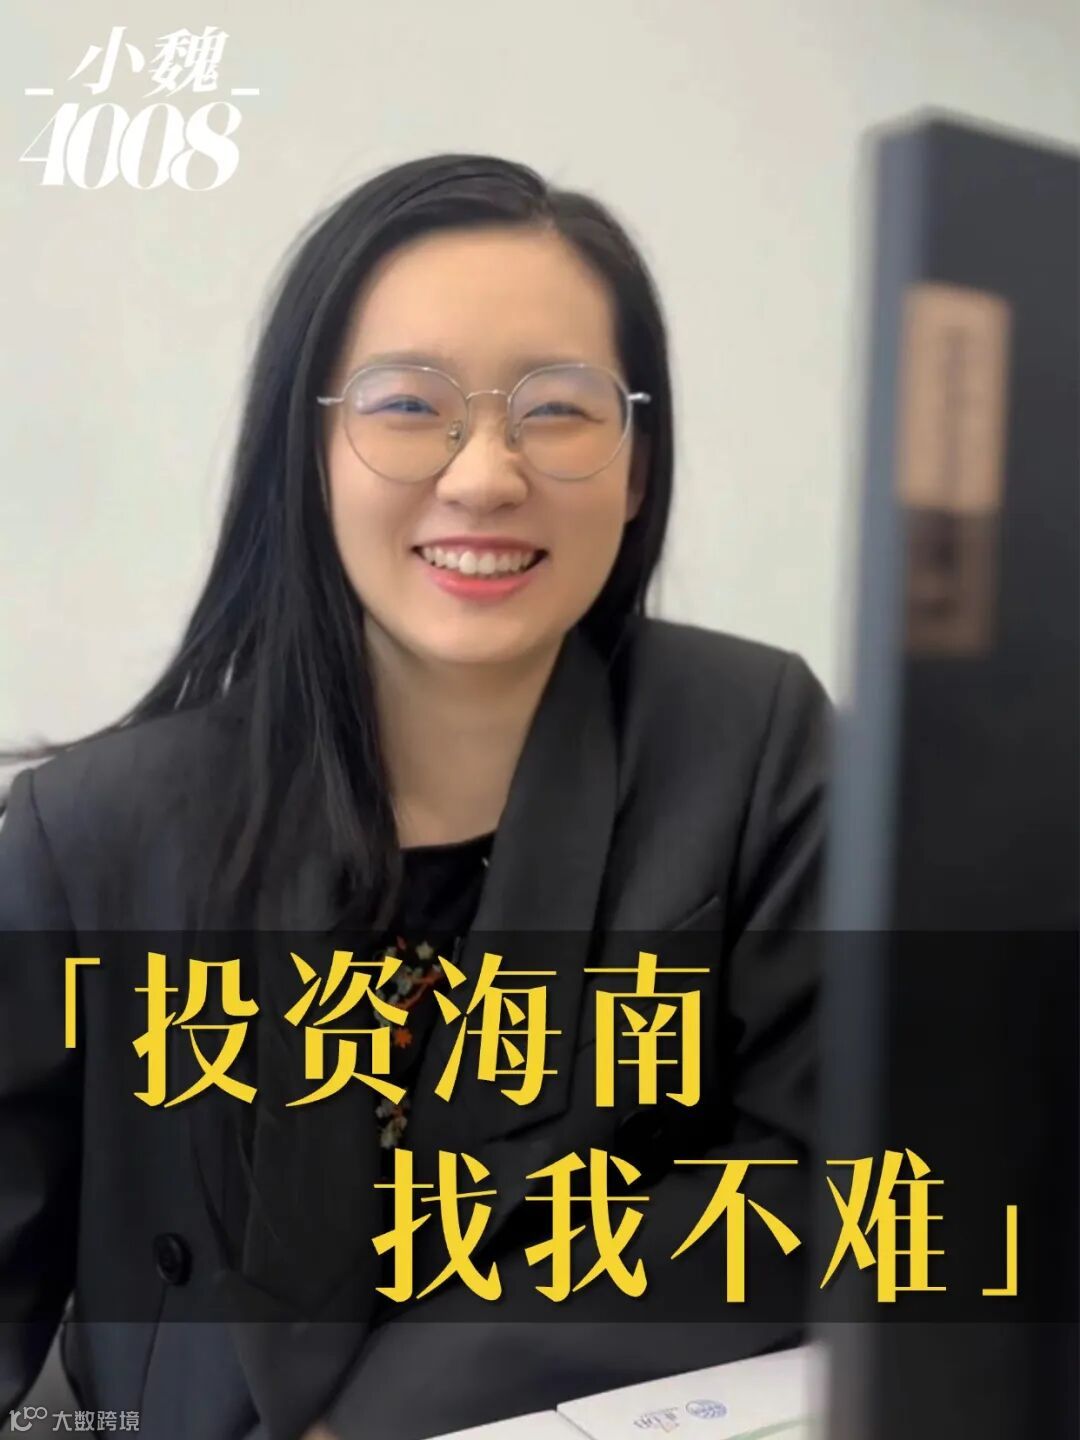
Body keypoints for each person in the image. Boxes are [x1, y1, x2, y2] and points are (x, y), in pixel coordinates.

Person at [0, 154, 830, 1440]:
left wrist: (393, 1413)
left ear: (636, 466)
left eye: (559, 407)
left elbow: (833, 1178)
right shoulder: (94, 833)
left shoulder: (752, 739)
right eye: (406, 404)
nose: (485, 473)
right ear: (308, 453)